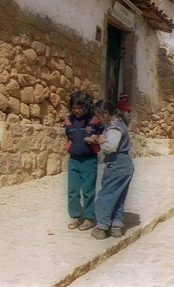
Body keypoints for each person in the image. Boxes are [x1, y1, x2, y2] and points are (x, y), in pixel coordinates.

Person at [89, 99, 134, 240]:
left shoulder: (114, 127)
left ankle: (101, 227)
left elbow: (111, 147)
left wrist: (98, 142)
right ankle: (116, 226)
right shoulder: (121, 124)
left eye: (99, 116)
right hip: (126, 163)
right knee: (119, 195)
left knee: (106, 195)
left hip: (117, 163)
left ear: (106, 113)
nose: (98, 119)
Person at [64, 92, 103, 231]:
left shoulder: (94, 120)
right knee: (72, 190)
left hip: (89, 161)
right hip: (74, 160)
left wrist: (96, 139)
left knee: (88, 190)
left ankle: (88, 218)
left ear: (86, 107)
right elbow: (69, 136)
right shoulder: (68, 120)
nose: (76, 111)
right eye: (74, 108)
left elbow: (103, 134)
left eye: (79, 108)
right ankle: (75, 216)